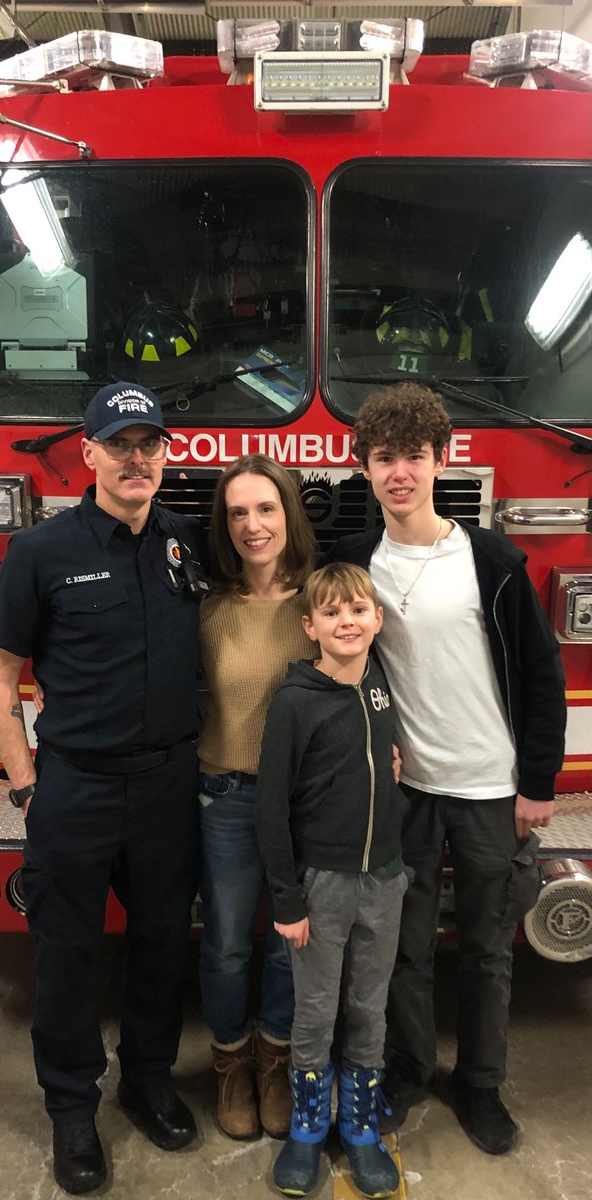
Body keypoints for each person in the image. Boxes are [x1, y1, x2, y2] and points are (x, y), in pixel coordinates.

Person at [326, 381, 566, 1155]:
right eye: (385, 458)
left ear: (441, 460)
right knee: (405, 947)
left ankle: (482, 1085)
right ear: (364, 467)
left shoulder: (491, 560)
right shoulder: (357, 567)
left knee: (492, 949)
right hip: (409, 792)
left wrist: (536, 783)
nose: (401, 472)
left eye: (415, 457)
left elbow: (541, 674)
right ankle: (409, 1068)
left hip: (491, 791)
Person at [0, 382, 207, 1196]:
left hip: (168, 787)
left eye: (150, 443)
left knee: (157, 946)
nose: (137, 458)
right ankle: (72, 1109)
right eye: (121, 444)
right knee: (69, 955)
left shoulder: (185, 541)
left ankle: (147, 1081)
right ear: (91, 454)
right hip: (73, 786)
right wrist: (27, 786)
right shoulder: (41, 553)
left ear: (165, 453)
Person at [255, 562, 408, 1199]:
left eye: (358, 610)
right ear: (309, 625)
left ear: (377, 620)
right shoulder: (294, 702)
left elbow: (382, 761)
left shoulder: (379, 683)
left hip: (385, 878)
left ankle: (361, 1124)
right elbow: (272, 807)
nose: (347, 622)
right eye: (332, 613)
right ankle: (309, 1128)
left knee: (370, 1007)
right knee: (316, 1010)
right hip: (323, 884)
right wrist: (288, 898)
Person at [197, 454, 317, 1141]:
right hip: (227, 797)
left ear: (288, 514)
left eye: (265, 508)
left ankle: (275, 1059)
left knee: (286, 944)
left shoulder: (320, 601)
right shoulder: (206, 605)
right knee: (226, 945)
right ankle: (231, 1065)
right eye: (237, 512)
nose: (252, 524)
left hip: (303, 803)